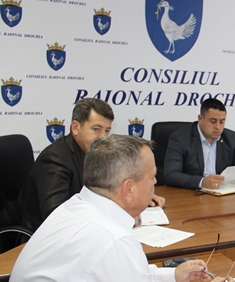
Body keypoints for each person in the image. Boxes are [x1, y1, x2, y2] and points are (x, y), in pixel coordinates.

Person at [3, 135, 235, 282]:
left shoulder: (74, 207)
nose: (156, 182)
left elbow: (107, 278)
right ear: (128, 189)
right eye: (152, 177)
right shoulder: (111, 241)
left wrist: (171, 276)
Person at [20, 98, 164, 232]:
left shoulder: (98, 154)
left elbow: (104, 190)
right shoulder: (54, 159)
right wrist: (119, 214)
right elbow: (56, 215)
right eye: (96, 129)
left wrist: (137, 193)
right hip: (49, 237)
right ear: (75, 127)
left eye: (107, 131)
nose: (103, 137)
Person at [164, 98, 235, 189]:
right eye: (213, 121)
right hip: (191, 193)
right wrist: (202, 182)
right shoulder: (180, 138)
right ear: (200, 119)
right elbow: (171, 175)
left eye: (222, 122)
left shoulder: (230, 137)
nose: (218, 127)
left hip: (221, 192)